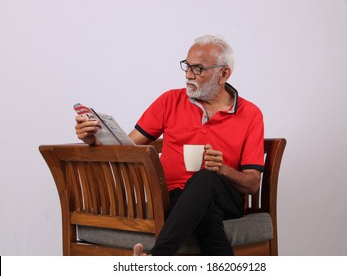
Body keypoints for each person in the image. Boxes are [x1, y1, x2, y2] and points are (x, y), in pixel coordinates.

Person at [74, 35, 264, 256]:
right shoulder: (169, 101)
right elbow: (126, 148)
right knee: (205, 213)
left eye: (199, 69)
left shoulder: (250, 114)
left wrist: (222, 169)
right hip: (174, 199)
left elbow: (252, 184)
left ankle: (157, 259)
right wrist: (92, 138)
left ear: (224, 73)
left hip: (225, 199)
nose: (189, 75)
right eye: (187, 66)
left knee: (205, 178)